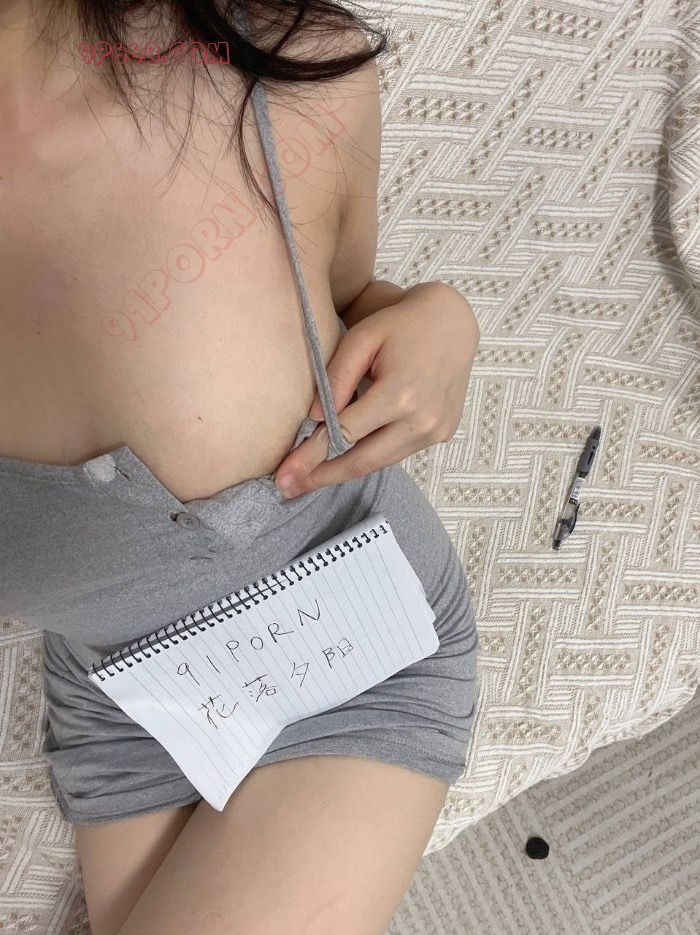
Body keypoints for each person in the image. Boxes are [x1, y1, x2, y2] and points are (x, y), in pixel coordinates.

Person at [0, 1, 480, 932]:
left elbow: (343, 305)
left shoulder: (283, 75)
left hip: (355, 645)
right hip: (129, 696)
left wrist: (438, 319)